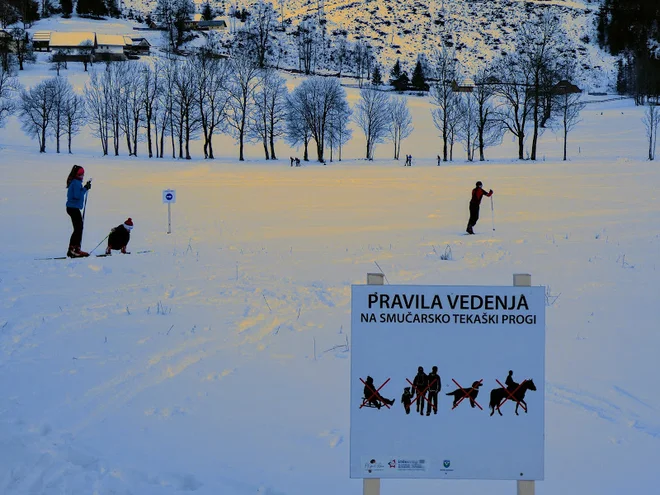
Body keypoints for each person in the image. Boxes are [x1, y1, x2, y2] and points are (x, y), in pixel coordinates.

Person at [65, 165, 92, 258]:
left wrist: (85, 188)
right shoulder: (76, 183)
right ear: (77, 174)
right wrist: (85, 188)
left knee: (78, 228)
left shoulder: (75, 182)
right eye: (81, 174)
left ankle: (74, 249)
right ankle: (74, 249)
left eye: (83, 174)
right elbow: (77, 196)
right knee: (78, 228)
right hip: (73, 208)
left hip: (72, 207)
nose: (82, 176)